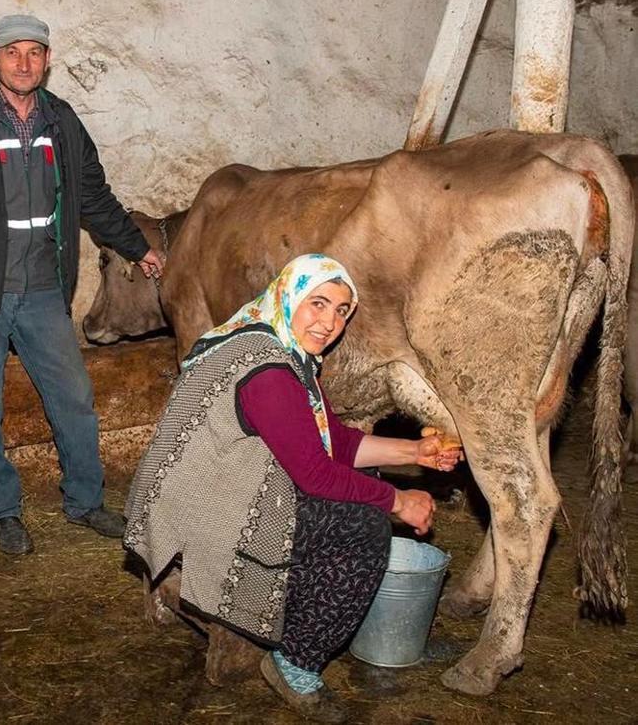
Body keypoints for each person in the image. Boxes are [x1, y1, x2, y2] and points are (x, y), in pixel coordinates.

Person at [124, 254, 460, 722]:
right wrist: (399, 502)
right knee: (362, 524)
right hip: (204, 513)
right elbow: (315, 474)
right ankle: (296, 665)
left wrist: (414, 452)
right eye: (317, 303)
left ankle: (322, 613)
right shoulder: (269, 372)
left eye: (341, 310)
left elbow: (334, 443)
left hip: (223, 487)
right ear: (289, 295)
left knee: (363, 486)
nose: (329, 323)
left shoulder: (278, 346)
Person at [0, 14, 164, 556]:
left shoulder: (61, 120)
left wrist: (137, 246)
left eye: (34, 52)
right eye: (12, 52)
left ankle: (85, 501)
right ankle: (1, 511)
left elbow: (93, 196)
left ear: (47, 61)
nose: (23, 63)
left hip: (44, 289)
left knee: (74, 399)